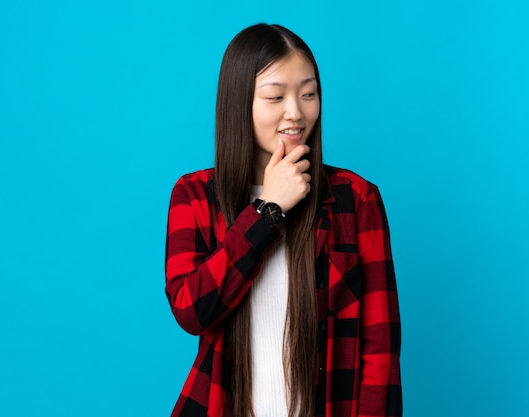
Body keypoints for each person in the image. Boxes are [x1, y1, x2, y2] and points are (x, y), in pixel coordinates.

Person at [164, 23, 402, 417]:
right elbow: (191, 309)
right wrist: (267, 210)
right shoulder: (195, 195)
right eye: (275, 96)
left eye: (308, 94)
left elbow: (380, 348)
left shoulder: (356, 199)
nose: (296, 112)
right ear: (239, 102)